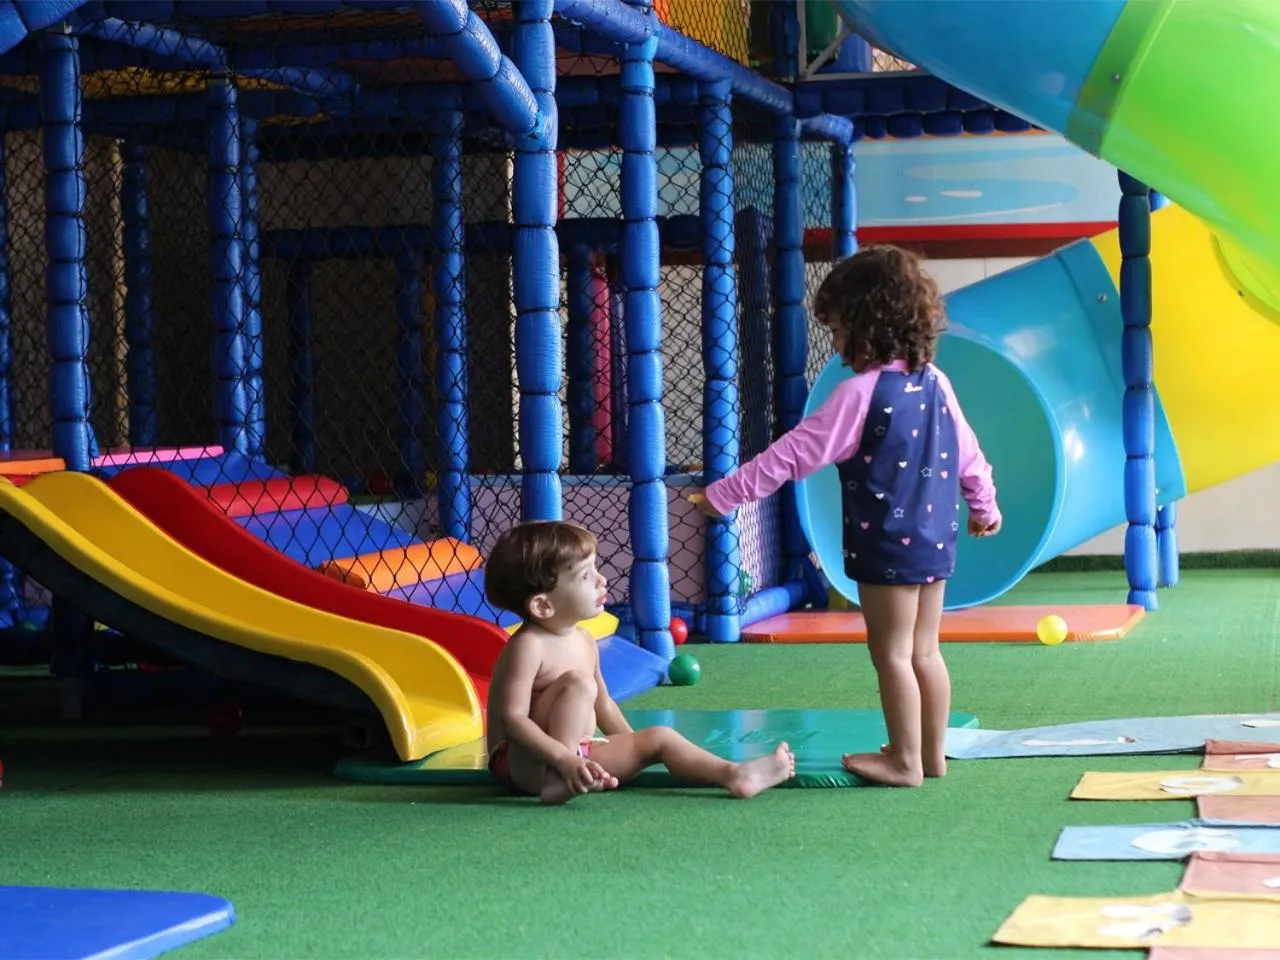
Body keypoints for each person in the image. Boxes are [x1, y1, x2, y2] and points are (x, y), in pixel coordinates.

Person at [690, 245, 1001, 788]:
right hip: (935, 538)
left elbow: (792, 454)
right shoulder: (935, 383)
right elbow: (969, 453)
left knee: (891, 655)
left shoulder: (857, 396)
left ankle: (905, 763)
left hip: (886, 544)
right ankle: (931, 754)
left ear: (865, 327)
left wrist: (724, 495)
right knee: (925, 651)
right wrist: (985, 506)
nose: (834, 345)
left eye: (836, 331)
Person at [483, 520, 796, 804]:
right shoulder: (527, 646)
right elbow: (514, 720)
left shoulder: (584, 640)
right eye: (585, 575)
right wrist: (564, 761)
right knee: (578, 684)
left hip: (578, 754)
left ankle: (735, 775)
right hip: (523, 761)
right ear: (543, 605)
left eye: (595, 569)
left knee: (659, 737)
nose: (601, 580)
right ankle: (559, 779)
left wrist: (635, 746)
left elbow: (603, 705)